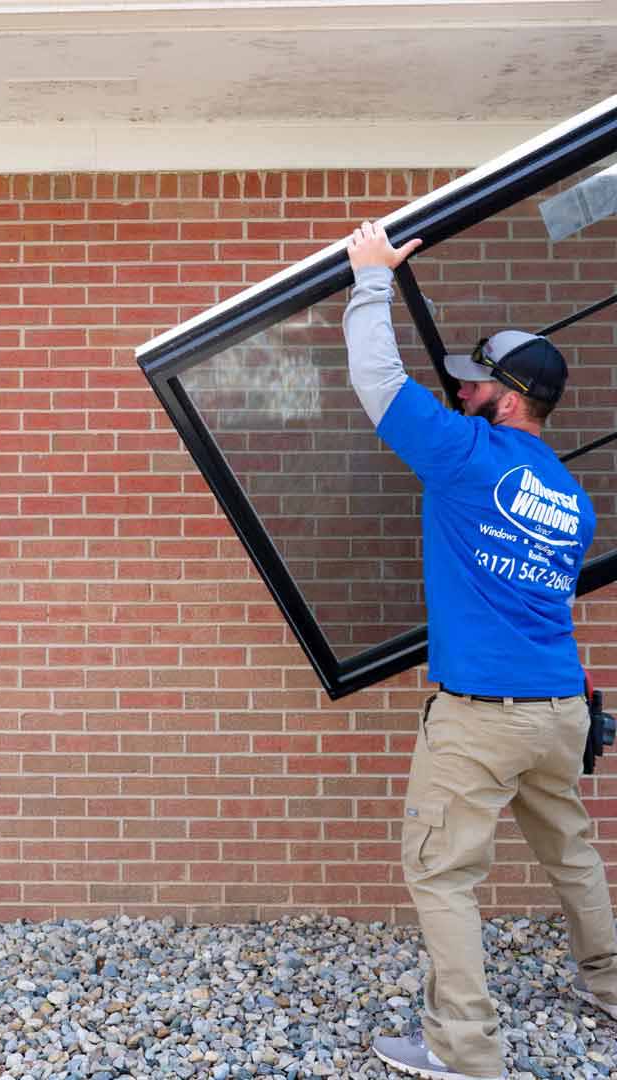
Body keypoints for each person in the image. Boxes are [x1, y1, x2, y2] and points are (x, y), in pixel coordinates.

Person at [343, 221, 617, 1080]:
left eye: (471, 386)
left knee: (443, 874)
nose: (458, 395)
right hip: (559, 711)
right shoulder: (572, 500)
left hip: (482, 718)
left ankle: (463, 1050)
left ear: (505, 400)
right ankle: (610, 988)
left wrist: (370, 279)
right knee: (571, 851)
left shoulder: (465, 454)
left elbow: (378, 379)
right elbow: (543, 601)